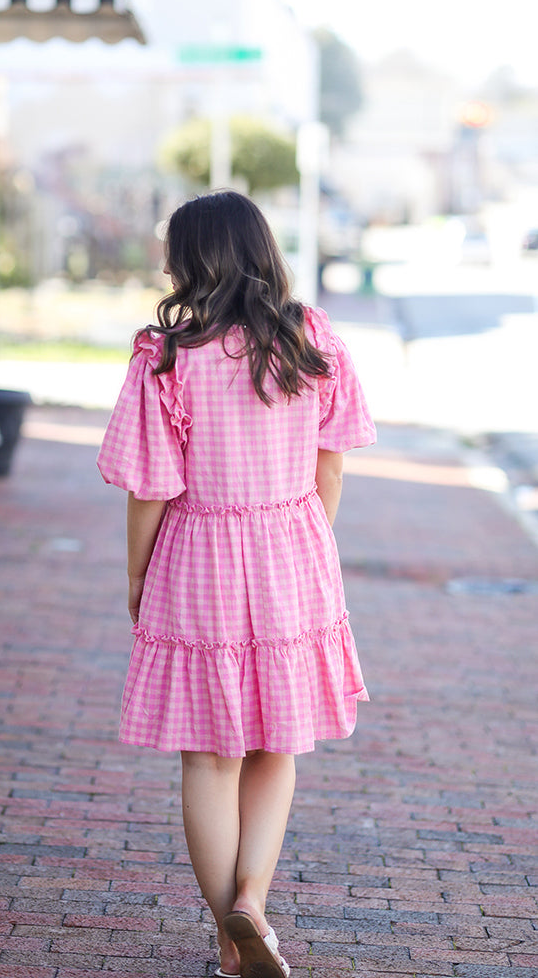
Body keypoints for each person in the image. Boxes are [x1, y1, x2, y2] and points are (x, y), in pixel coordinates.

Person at [97, 191, 376, 978]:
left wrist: (136, 574)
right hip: (292, 548)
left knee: (207, 757)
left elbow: (148, 486)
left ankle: (228, 936)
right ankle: (252, 899)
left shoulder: (162, 354)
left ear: (192, 258)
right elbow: (332, 465)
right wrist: (306, 539)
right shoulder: (310, 339)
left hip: (198, 556)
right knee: (275, 745)